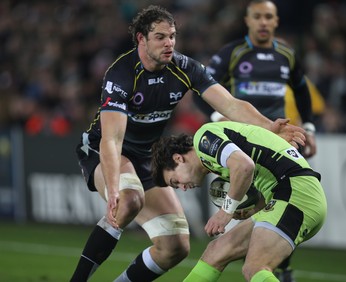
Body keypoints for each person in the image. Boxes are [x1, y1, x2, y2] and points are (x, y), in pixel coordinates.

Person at [70, 5, 307, 282]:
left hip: (146, 157)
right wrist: (113, 187)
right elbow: (112, 140)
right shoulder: (122, 73)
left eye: (172, 36)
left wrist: (269, 126)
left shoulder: (185, 68)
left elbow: (229, 104)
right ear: (141, 40)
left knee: (175, 245)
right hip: (104, 151)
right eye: (160, 37)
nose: (169, 43)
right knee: (129, 200)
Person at [192, 1, 318, 280]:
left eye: (268, 17)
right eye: (258, 17)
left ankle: (276, 267)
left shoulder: (287, 53)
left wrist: (308, 127)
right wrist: (218, 119)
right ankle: (258, 261)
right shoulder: (232, 53)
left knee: (281, 200)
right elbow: (201, 88)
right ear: (247, 21)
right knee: (254, 198)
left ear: (276, 21)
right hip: (244, 139)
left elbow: (301, 89)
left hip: (279, 137)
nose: (263, 22)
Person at [151, 121, 327, 282]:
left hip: (297, 194)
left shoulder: (203, 138)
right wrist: (250, 210)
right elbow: (259, 182)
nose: (182, 187)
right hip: (290, 195)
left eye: (175, 182)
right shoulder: (218, 162)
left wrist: (225, 212)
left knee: (254, 268)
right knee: (216, 252)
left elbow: (245, 166)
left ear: (178, 159)